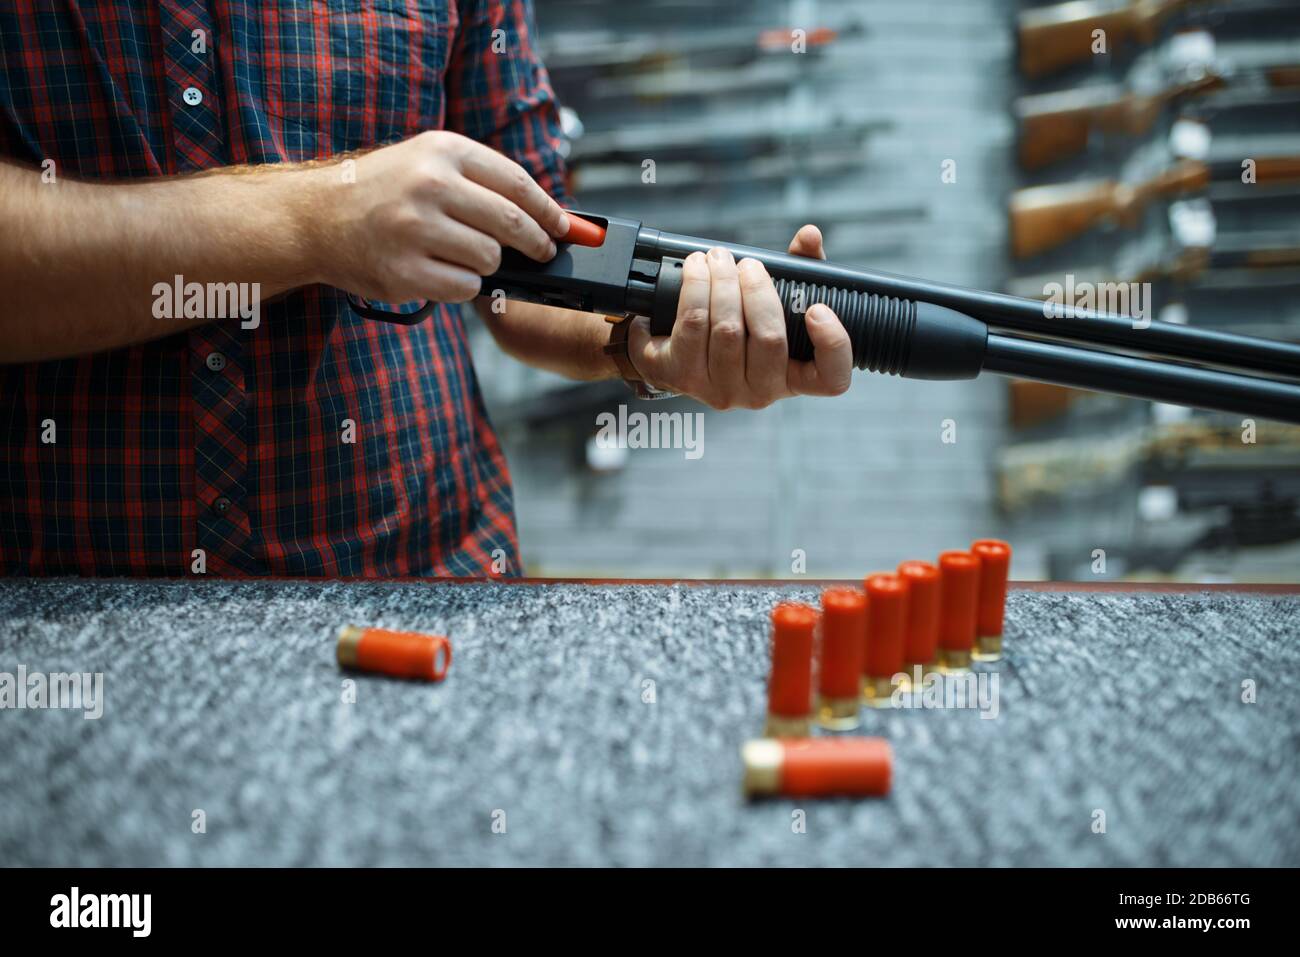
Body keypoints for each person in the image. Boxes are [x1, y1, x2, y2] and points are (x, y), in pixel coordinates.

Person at [0, 0, 850, 577]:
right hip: (63, 607)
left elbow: (527, 266)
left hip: (433, 585)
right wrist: (320, 220)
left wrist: (649, 346)